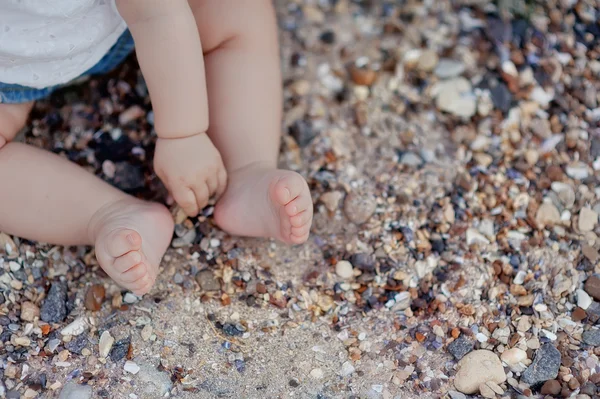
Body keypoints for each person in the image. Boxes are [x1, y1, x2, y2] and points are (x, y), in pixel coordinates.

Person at [0, 0, 313, 295]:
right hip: (9, 72)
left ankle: (248, 168)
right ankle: (105, 215)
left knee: (235, 10)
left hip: (118, 25)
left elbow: (159, 14)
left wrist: (183, 133)